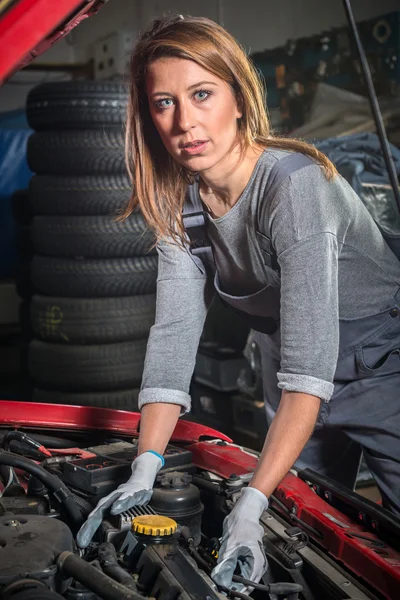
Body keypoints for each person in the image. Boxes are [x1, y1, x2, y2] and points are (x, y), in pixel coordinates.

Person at [76, 14, 400, 594]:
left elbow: (311, 365)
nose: (185, 122)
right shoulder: (180, 200)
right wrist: (145, 463)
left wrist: (250, 500)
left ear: (240, 99)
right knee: (309, 534)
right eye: (164, 103)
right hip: (292, 368)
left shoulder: (294, 186)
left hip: (382, 365)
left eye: (202, 94)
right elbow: (175, 331)